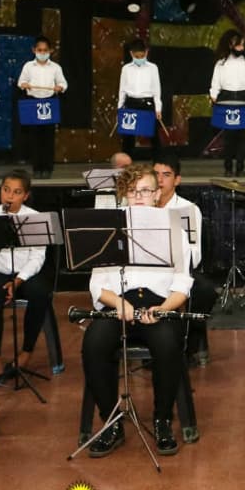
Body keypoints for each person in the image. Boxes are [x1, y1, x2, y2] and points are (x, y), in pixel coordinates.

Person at [81, 163, 191, 458]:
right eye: (132, 192)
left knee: (168, 345)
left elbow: (183, 283)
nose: (139, 197)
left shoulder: (174, 228)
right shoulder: (110, 228)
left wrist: (162, 308)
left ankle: (163, 419)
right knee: (93, 344)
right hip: (119, 302)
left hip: (159, 302)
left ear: (157, 194)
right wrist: (119, 304)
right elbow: (97, 285)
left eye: (145, 191)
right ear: (124, 196)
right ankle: (112, 422)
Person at [0, 170, 52, 384]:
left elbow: (37, 257)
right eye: (6, 190)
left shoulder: (35, 219)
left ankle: (26, 352)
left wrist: (18, 280)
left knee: (40, 293)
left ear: (25, 195)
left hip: (26, 273)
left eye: (17, 192)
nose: (10, 196)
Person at [153, 152, 214, 366]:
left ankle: (191, 345)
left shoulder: (188, 209)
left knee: (204, 290)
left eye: (166, 175)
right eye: (156, 174)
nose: (159, 180)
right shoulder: (141, 203)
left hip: (178, 270)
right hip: (149, 271)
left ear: (177, 180)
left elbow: (195, 255)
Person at [209, 29, 245, 177]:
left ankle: (240, 165)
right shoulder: (221, 64)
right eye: (238, 46)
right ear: (231, 45)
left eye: (243, 45)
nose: (241, 48)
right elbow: (215, 83)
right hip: (225, 98)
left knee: (241, 134)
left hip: (242, 98)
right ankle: (228, 166)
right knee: (228, 135)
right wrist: (213, 96)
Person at [17, 36, 67, 179]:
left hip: (49, 102)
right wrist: (24, 84)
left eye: (45, 50)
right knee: (35, 138)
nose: (42, 52)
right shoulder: (28, 66)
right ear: (34, 50)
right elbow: (21, 81)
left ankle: (47, 168)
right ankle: (37, 168)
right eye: (39, 50)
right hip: (33, 102)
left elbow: (64, 83)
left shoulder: (56, 67)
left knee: (48, 137)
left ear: (50, 51)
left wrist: (60, 87)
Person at [117, 38, 164, 161]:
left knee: (153, 136)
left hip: (147, 103)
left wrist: (158, 108)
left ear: (146, 52)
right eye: (137, 56)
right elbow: (122, 89)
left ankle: (158, 163)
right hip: (131, 103)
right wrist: (119, 108)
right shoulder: (126, 68)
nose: (139, 58)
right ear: (131, 54)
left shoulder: (153, 68)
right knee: (127, 138)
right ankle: (126, 167)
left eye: (142, 55)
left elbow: (157, 90)